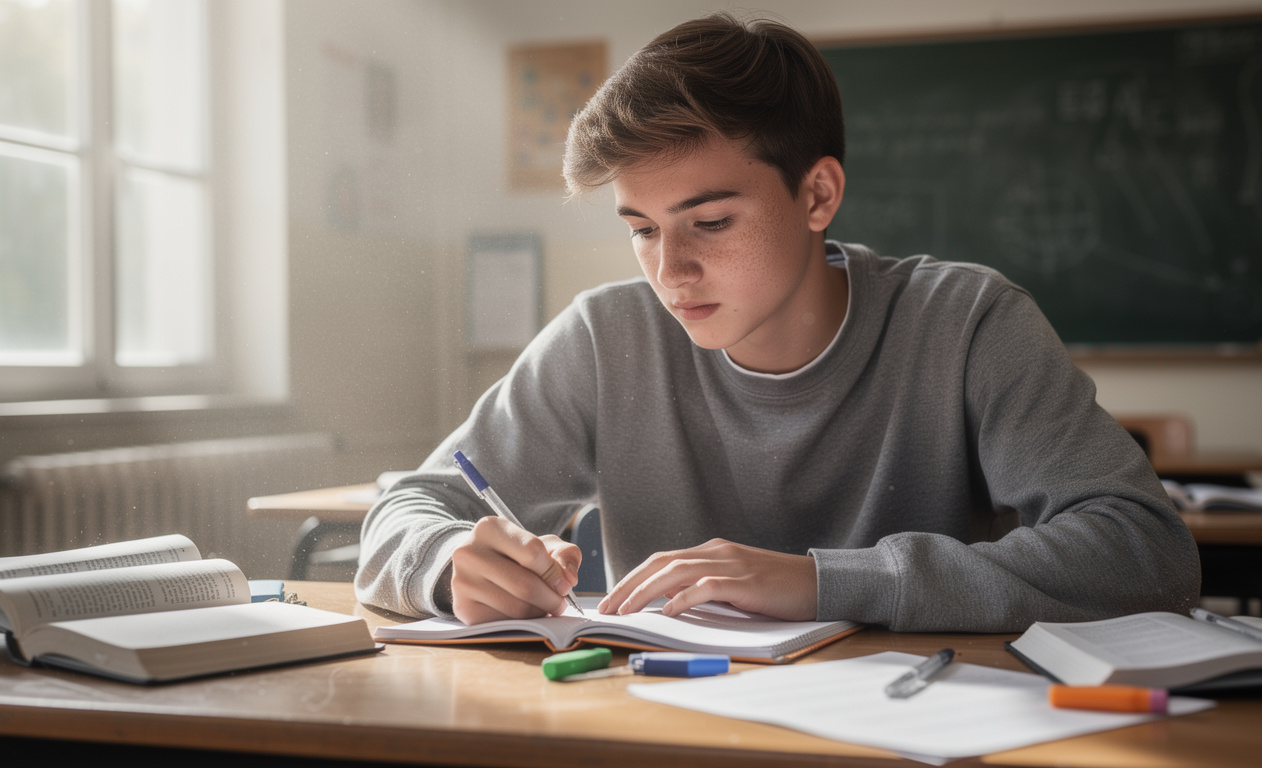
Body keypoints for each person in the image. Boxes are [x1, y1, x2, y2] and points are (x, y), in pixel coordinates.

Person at [355, 12, 1200, 632]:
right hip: (667, 727)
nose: (670, 270)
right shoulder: (606, 338)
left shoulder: (967, 322)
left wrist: (825, 582)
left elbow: (1145, 551)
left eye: (711, 221)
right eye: (642, 229)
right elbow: (409, 506)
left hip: (914, 728)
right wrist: (447, 564)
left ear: (818, 194)